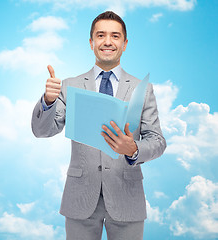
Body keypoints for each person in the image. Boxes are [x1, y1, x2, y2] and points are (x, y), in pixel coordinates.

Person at [31, 11, 166, 240]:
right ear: (91, 42)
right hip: (80, 197)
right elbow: (42, 131)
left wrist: (133, 149)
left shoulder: (142, 89)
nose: (107, 42)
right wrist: (48, 101)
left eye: (115, 36)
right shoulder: (69, 85)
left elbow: (157, 141)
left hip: (127, 197)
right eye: (100, 35)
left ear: (124, 43)